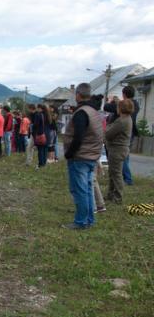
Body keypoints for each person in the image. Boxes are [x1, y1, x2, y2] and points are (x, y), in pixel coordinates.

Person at [62, 83, 104, 230]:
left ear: (78, 95)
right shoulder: (94, 111)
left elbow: (78, 137)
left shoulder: (82, 113)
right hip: (91, 156)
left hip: (80, 157)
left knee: (79, 190)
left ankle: (80, 222)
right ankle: (89, 220)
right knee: (86, 189)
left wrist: (69, 154)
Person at [105, 86, 140, 185]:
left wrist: (112, 101)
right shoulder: (136, 104)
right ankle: (125, 178)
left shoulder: (124, 106)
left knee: (121, 157)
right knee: (124, 156)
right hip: (129, 132)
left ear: (124, 94)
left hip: (121, 132)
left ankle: (127, 179)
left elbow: (106, 107)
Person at [104, 99, 134, 204]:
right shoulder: (127, 119)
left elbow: (109, 134)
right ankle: (111, 194)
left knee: (116, 174)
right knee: (113, 172)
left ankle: (118, 197)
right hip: (120, 149)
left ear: (121, 108)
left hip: (117, 149)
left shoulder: (121, 121)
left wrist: (107, 125)